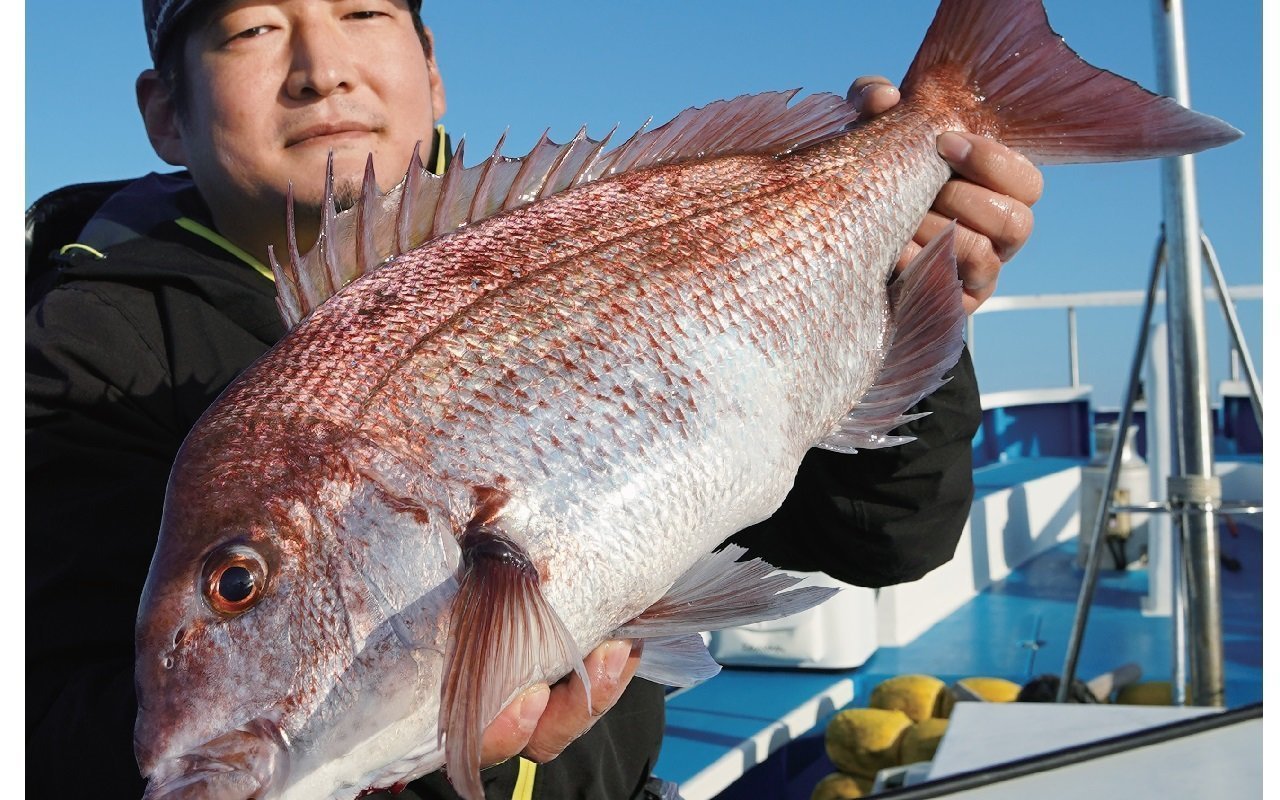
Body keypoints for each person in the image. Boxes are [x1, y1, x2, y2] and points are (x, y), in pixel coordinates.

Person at [25, 1, 1043, 798]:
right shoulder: (76, 361)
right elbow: (50, 722)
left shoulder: (562, 227)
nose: (320, 64)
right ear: (166, 110)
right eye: (250, 27)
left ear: (432, 70)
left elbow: (888, 540)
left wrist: (904, 286)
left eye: (363, 14)